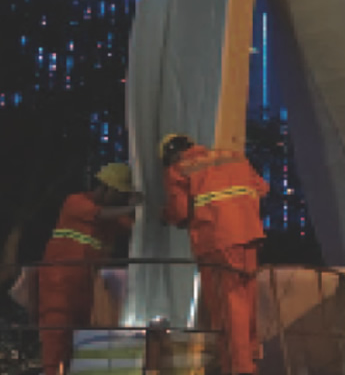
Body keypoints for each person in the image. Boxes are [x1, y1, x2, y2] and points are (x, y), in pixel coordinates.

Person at [159, 134, 269, 375]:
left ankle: (238, 368)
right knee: (247, 300)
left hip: (217, 241)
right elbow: (261, 188)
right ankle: (250, 361)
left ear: (170, 156)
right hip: (249, 235)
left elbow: (180, 212)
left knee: (228, 307)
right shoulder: (233, 157)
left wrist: (165, 215)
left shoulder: (178, 169)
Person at [38, 163, 142, 375]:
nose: (120, 200)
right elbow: (101, 214)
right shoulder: (76, 202)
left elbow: (131, 225)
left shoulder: (110, 217)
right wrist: (135, 206)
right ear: (107, 188)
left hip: (83, 282)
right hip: (59, 282)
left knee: (80, 335)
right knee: (56, 334)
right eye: (119, 195)